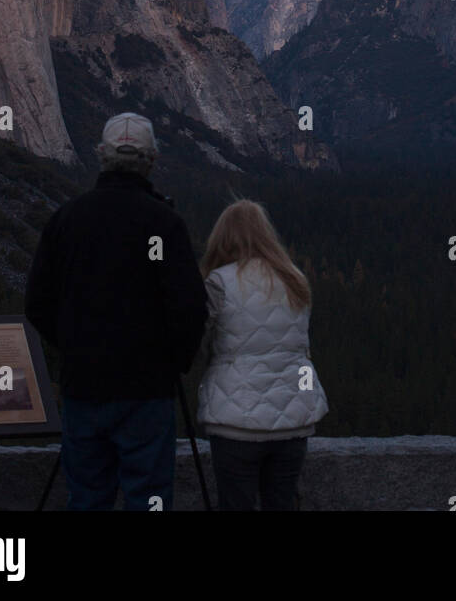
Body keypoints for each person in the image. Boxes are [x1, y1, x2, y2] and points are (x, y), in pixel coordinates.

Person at [25, 112, 207, 511]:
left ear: (101, 156)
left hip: (83, 389)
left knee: (87, 498)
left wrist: (73, 344)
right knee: (149, 499)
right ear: (151, 160)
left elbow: (36, 301)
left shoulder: (66, 219)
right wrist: (171, 361)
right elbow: (190, 306)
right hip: (146, 392)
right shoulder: (164, 223)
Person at [197, 200, 328, 511]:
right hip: (294, 416)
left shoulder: (218, 282)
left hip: (235, 419)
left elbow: (199, 340)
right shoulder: (294, 279)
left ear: (223, 237)